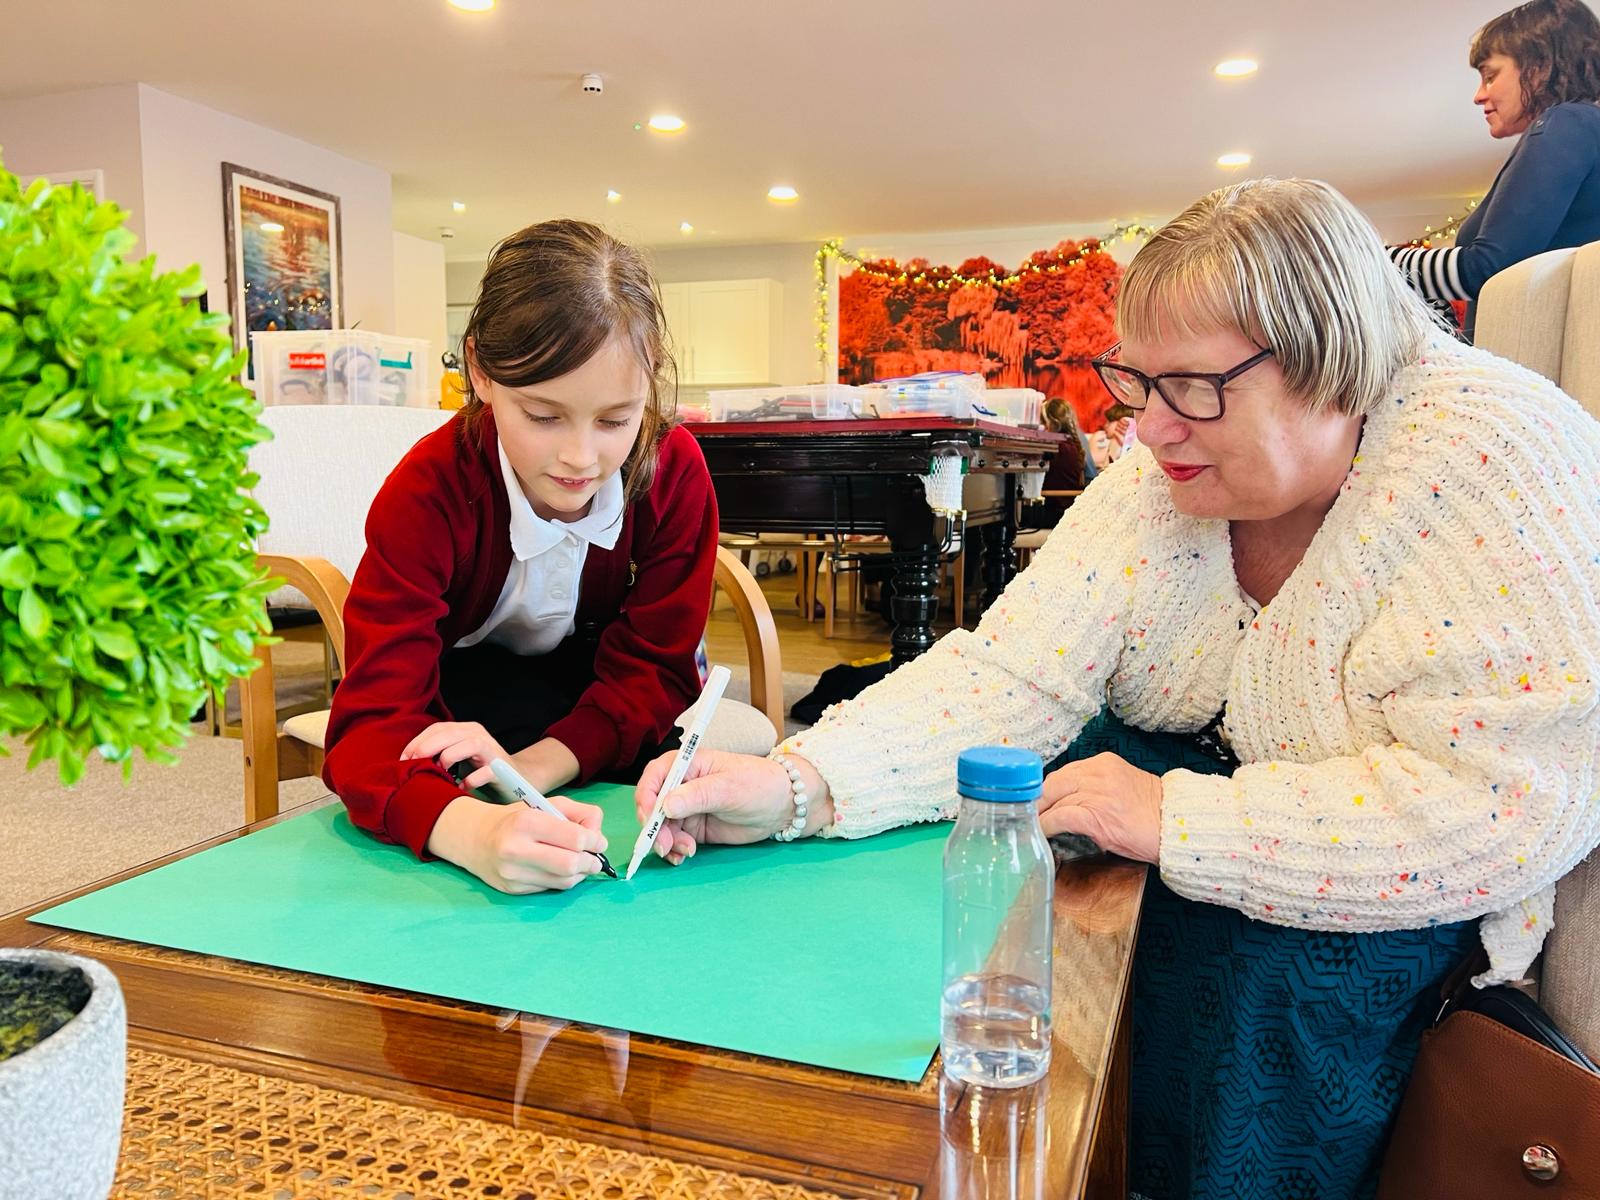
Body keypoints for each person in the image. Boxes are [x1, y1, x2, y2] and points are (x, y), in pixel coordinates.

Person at [630, 179, 1600, 1199]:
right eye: (1135, 385)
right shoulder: (1163, 474)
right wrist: (796, 782)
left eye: (1191, 387)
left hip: (1376, 883)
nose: (1147, 434)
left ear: (1332, 365)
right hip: (1168, 810)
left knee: (1246, 991)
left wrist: (1175, 816)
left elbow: (1504, 805)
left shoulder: (1503, 462)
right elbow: (1010, 672)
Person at [322, 218, 718, 895]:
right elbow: (372, 721)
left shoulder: (673, 471)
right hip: (452, 711)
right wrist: (471, 831)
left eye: (617, 419)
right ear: (480, 371)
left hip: (594, 715)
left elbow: (654, 667)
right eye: (543, 416)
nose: (580, 458)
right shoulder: (429, 489)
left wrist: (532, 769)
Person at [1388, 0, 1600, 339]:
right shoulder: (1580, 126)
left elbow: (1487, 269)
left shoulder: (1566, 122)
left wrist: (1374, 259)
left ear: (1539, 65)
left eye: (1490, 76)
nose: (1478, 95)